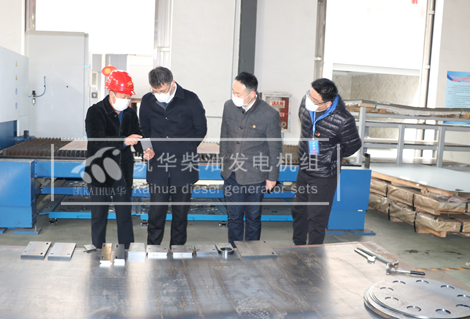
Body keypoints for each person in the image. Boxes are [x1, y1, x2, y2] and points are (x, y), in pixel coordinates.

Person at [139, 67, 207, 246]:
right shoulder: (147, 101)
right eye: (155, 91)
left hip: (184, 166)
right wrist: (147, 149)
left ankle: (177, 250)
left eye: (162, 90)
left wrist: (184, 149)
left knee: (180, 214)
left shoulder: (190, 99)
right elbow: (144, 130)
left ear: (172, 83)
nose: (159, 94)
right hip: (158, 165)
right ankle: (153, 249)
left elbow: (200, 129)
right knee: (156, 213)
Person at [292, 78, 361, 245]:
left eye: (315, 99)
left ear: (328, 103)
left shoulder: (343, 120)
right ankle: (297, 246)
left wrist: (329, 157)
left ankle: (313, 252)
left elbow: (353, 145)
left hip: (324, 175)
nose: (310, 100)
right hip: (304, 168)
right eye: (309, 95)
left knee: (316, 217)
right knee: (299, 211)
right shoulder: (306, 104)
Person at [220, 72, 282, 248]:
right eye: (233, 91)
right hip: (232, 173)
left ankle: (252, 252)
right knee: (234, 217)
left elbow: (275, 148)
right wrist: (224, 163)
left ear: (252, 94)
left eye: (238, 93)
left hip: (256, 176)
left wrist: (272, 177)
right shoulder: (229, 106)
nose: (234, 96)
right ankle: (234, 250)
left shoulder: (269, 115)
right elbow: (224, 136)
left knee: (253, 218)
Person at [84, 70, 143, 249]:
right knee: (99, 216)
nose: (126, 100)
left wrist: (144, 150)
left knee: (124, 215)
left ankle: (127, 249)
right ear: (112, 93)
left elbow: (137, 136)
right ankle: (97, 249)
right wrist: (123, 141)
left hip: (122, 172)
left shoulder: (130, 113)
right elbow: (97, 140)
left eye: (128, 97)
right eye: (123, 96)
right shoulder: (95, 112)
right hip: (100, 171)